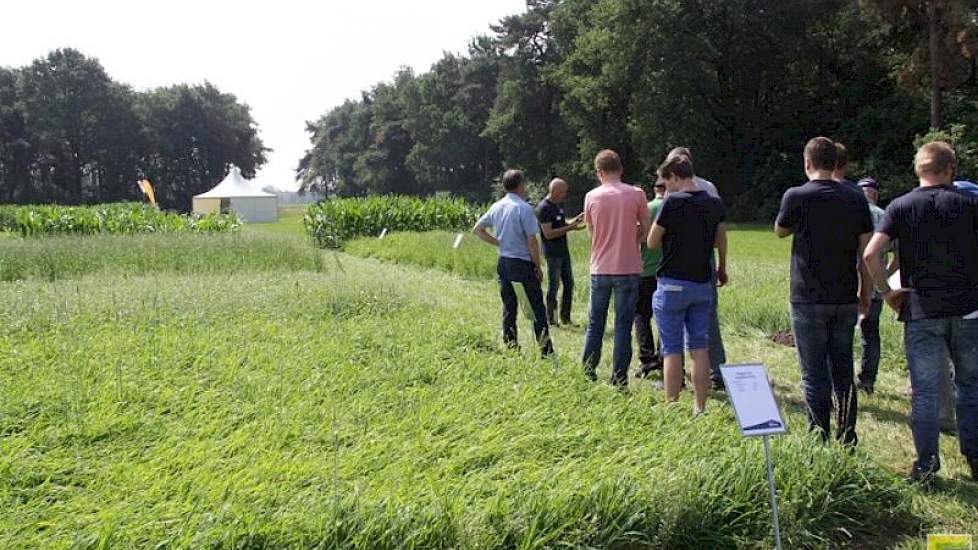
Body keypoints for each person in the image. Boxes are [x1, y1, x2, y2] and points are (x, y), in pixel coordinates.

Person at [864, 142, 978, 483]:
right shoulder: (971, 204)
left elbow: (871, 254)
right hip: (969, 309)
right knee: (970, 387)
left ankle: (926, 464)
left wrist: (886, 292)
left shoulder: (900, 206)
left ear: (919, 170)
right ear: (951, 170)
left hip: (921, 308)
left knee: (925, 391)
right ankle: (974, 457)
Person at [775, 136, 873, 445]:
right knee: (843, 370)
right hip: (845, 295)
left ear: (807, 163)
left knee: (814, 374)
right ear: (836, 163)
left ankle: (818, 438)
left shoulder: (796, 196)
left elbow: (780, 230)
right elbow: (866, 250)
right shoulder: (856, 198)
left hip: (807, 298)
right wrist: (866, 293)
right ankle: (847, 436)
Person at [647, 155, 727, 414]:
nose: (664, 187)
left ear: (675, 177)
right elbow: (718, 239)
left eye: (665, 181)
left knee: (671, 348)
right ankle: (699, 407)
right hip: (702, 283)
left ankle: (671, 405)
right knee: (699, 348)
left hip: (672, 282)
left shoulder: (672, 202)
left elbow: (652, 241)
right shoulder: (714, 203)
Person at [582, 150, 650, 387]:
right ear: (620, 169)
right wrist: (632, 239)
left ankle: (589, 371)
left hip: (600, 267)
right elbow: (645, 230)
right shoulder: (637, 194)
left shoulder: (591, 196)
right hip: (628, 266)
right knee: (623, 325)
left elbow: (590, 230)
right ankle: (619, 377)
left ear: (599, 172)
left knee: (595, 323)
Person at [473, 169, 553, 357]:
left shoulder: (497, 206)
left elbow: (477, 229)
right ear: (521, 185)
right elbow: (532, 241)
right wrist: (538, 266)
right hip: (522, 263)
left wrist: (498, 242)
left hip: (504, 261)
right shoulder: (523, 208)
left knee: (509, 306)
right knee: (536, 308)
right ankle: (545, 351)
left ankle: (511, 346)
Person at [666, 147, 728, 389]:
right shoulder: (709, 188)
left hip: (677, 261)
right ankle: (718, 371)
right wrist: (722, 264)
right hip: (705, 257)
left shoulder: (672, 191)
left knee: (671, 318)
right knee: (708, 316)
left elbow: (659, 234)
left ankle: (676, 375)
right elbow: (720, 231)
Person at [855, 177, 889, 395]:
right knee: (871, 334)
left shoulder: (852, 211)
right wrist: (885, 278)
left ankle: (840, 379)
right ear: (875, 194)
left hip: (850, 283)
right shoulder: (886, 216)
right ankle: (867, 381)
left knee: (840, 333)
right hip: (876, 285)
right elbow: (900, 253)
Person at [536, 178, 583, 326]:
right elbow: (548, 233)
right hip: (552, 254)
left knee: (569, 284)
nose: (565, 194)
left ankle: (565, 317)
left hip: (564, 252)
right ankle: (551, 318)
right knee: (554, 286)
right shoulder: (544, 208)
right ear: (555, 191)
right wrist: (570, 228)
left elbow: (561, 225)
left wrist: (574, 221)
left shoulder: (559, 206)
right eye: (563, 191)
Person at [634, 178, 667, 378]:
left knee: (641, 315)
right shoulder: (675, 205)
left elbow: (637, 237)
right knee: (666, 318)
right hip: (667, 272)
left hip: (645, 269)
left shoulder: (646, 209)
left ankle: (647, 360)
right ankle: (664, 356)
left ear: (655, 189)